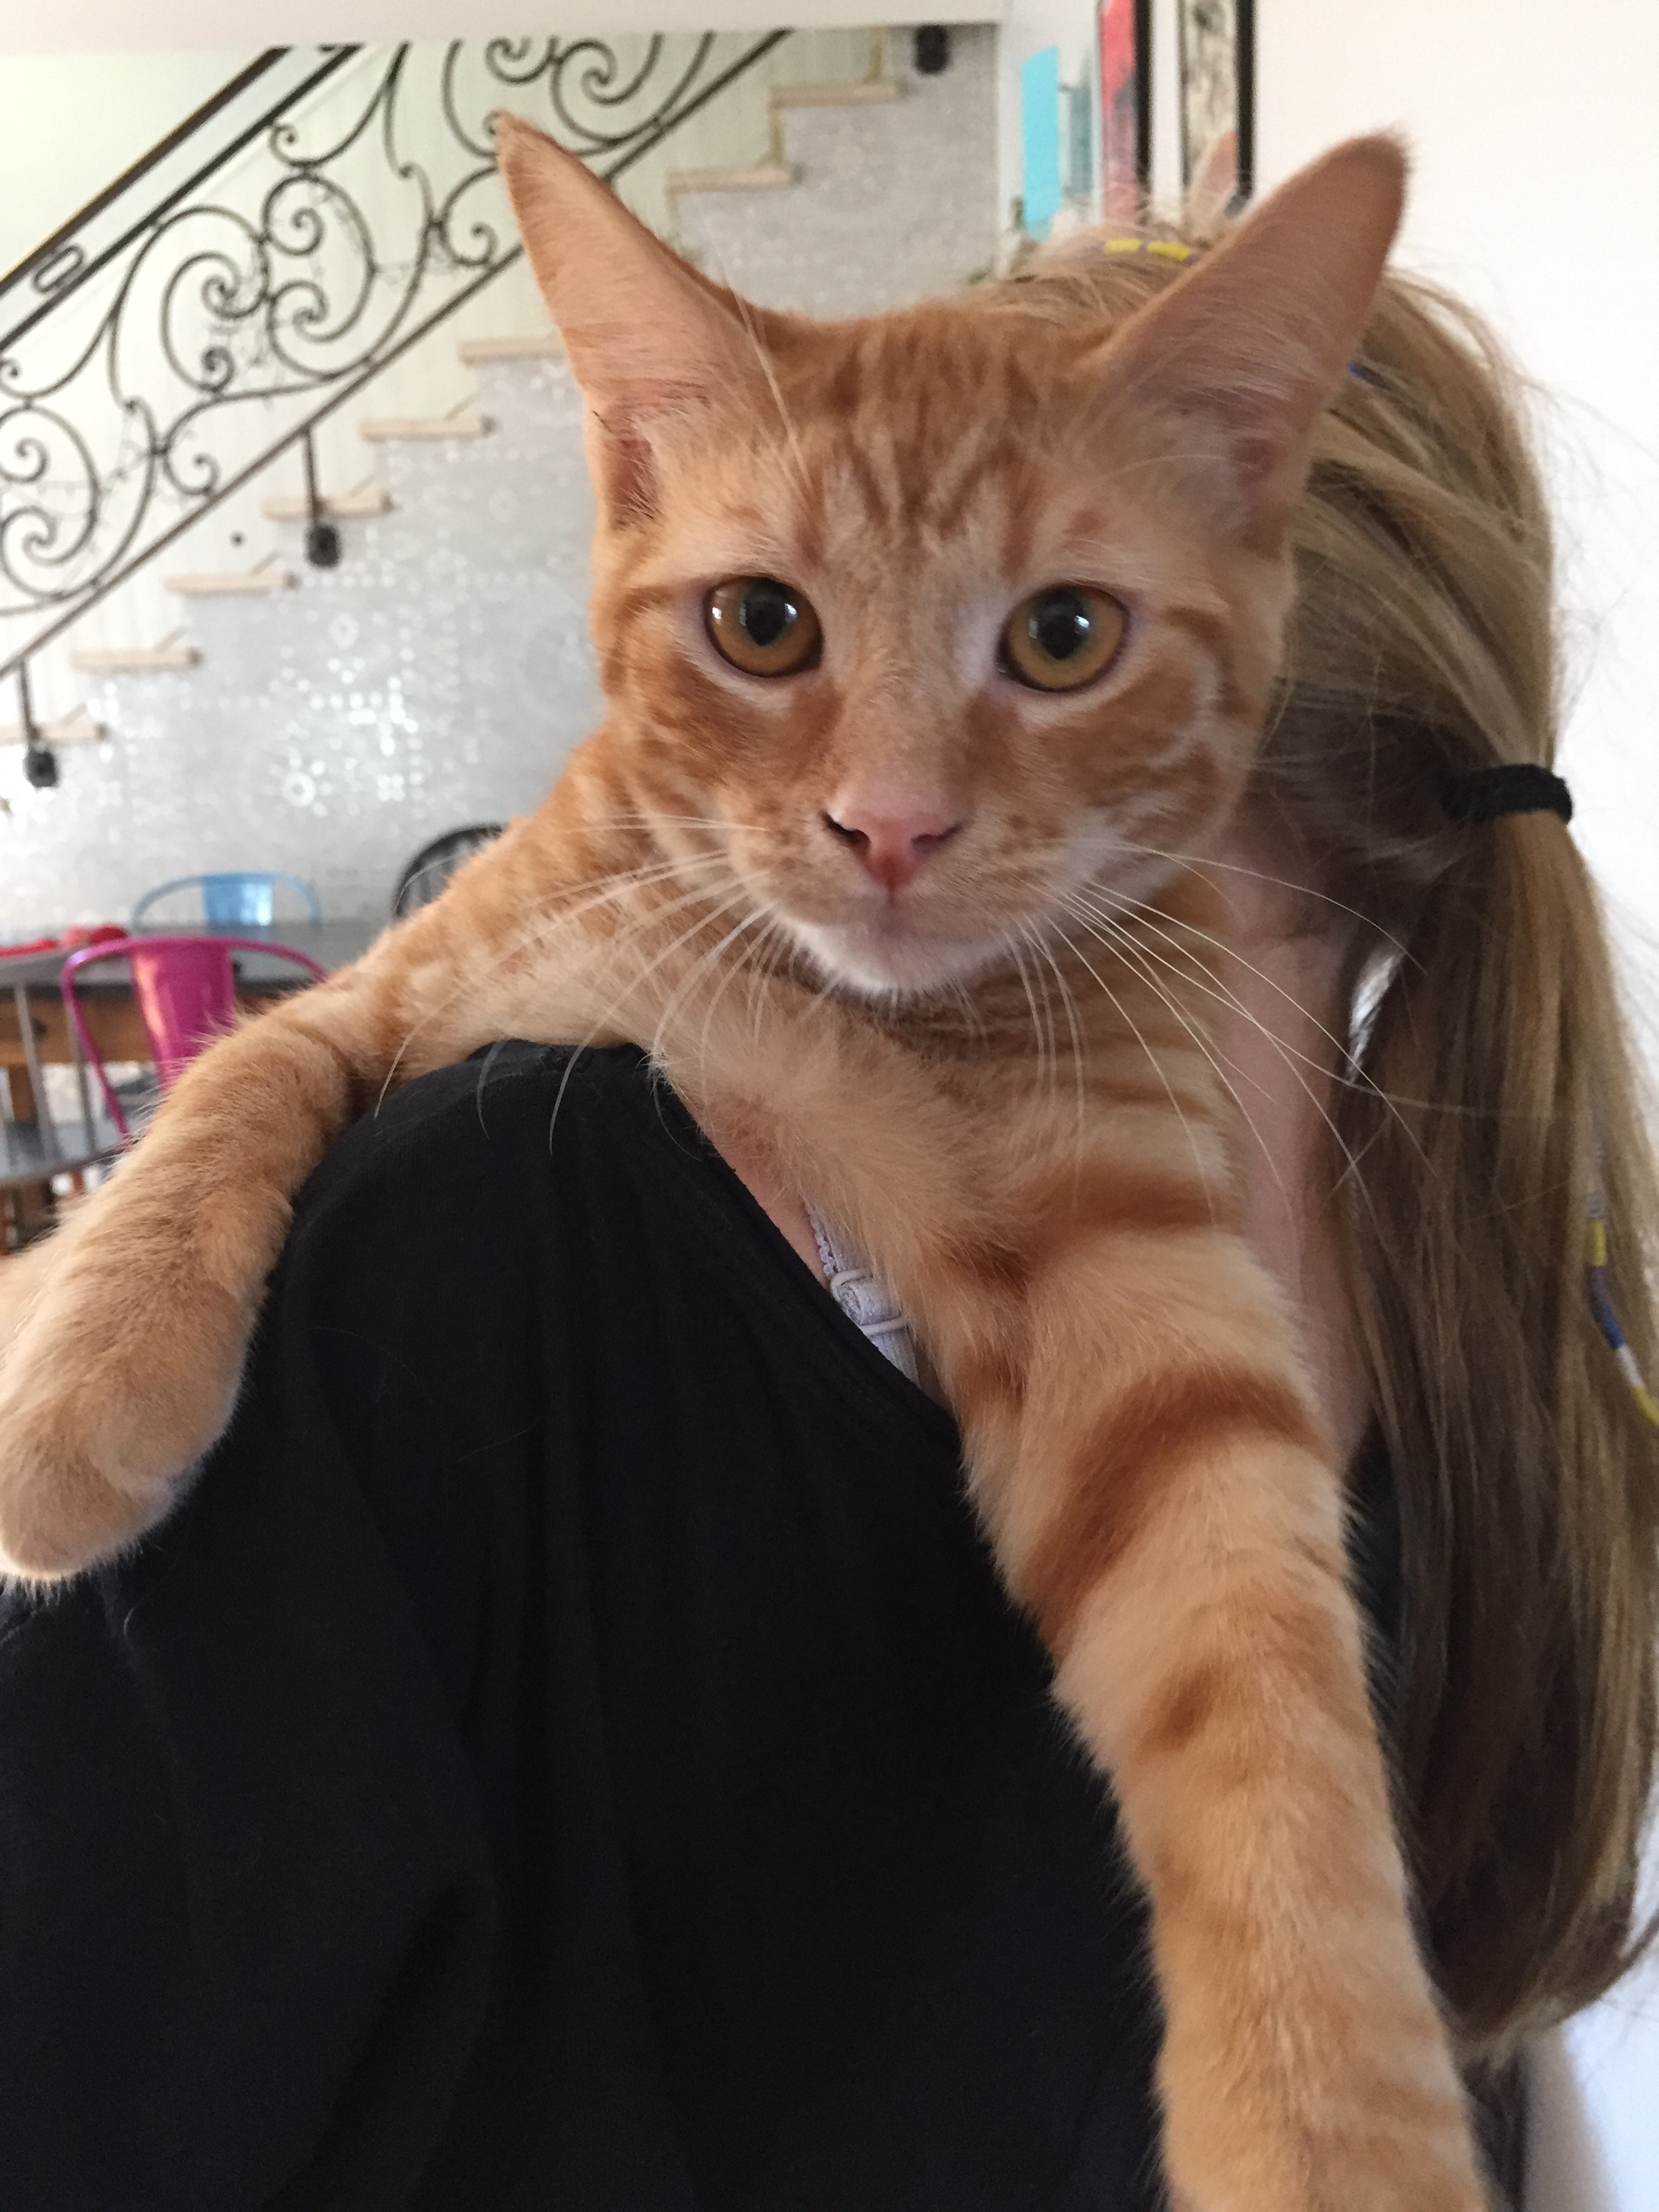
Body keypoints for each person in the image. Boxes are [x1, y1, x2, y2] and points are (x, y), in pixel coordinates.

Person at [0, 234, 1652, 2212]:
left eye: (1054, 640)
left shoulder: (505, 1247)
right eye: (772, 619)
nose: (886, 804)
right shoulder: (1515, 1317)